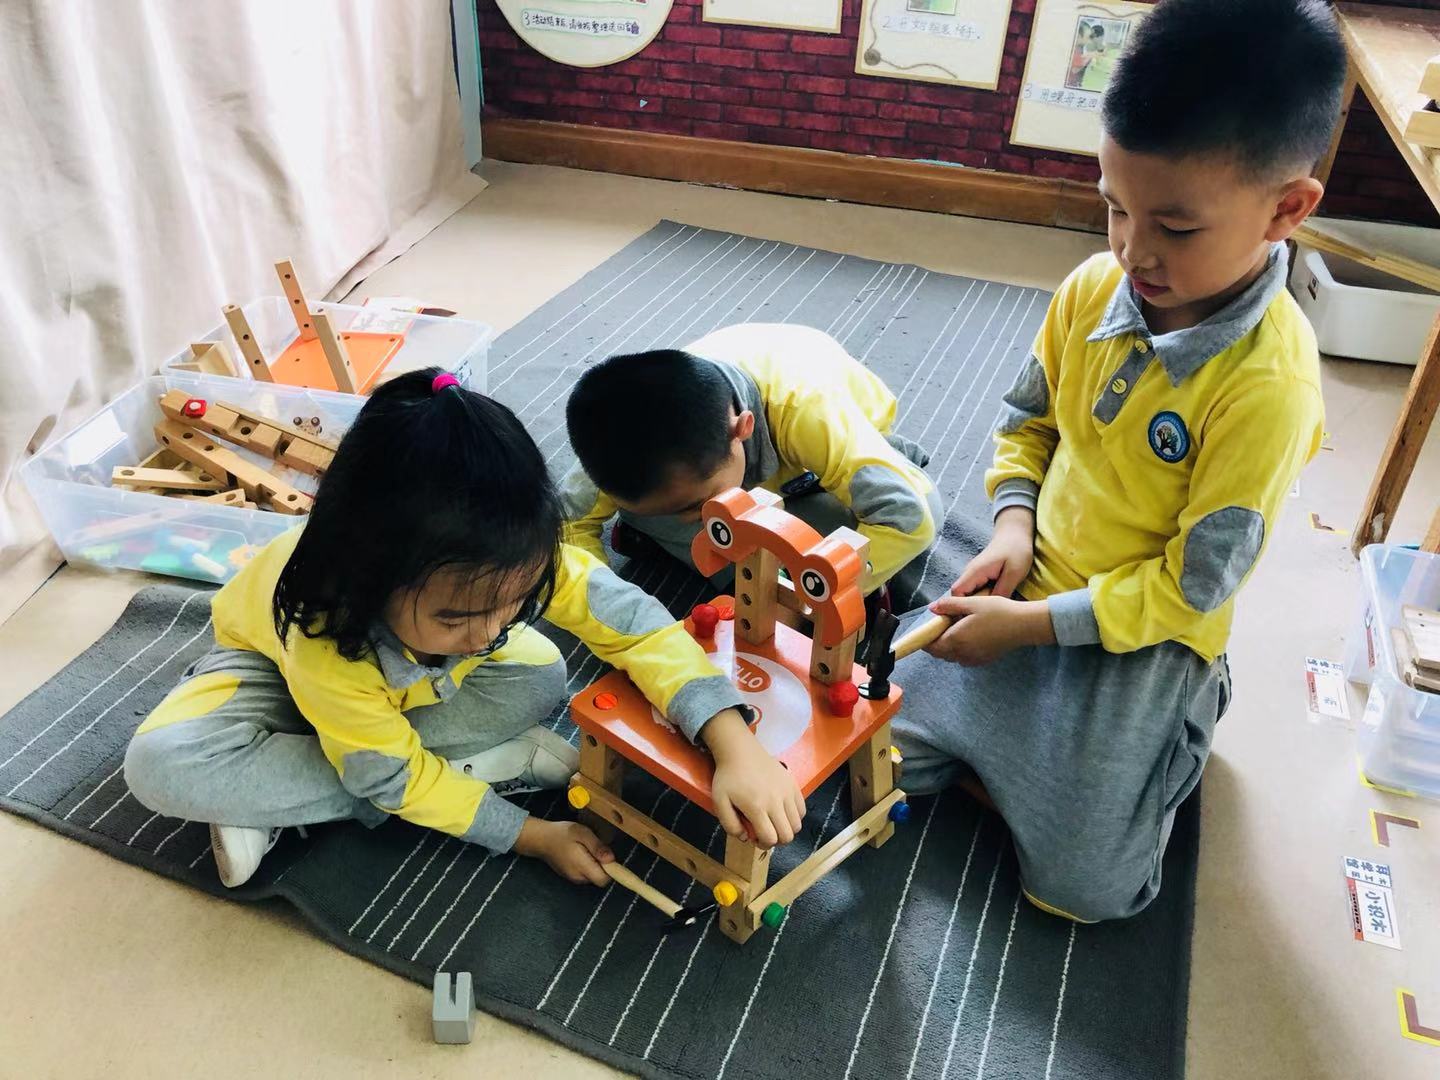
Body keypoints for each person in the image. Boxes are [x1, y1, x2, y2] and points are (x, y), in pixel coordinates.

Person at [891, 0, 1344, 922]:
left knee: (1084, 892)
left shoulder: (1270, 389)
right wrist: (1013, 526)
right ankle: (1018, 731)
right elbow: (1028, 423)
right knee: (872, 748)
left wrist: (1028, 629)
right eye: (1114, 207)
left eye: (1176, 228)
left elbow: (1191, 590)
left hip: (1145, 631)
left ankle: (1186, 711)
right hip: (1033, 573)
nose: (1134, 250)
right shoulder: (1093, 287)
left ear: (1287, 209)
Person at [125, 370, 803, 888]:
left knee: (542, 675)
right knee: (160, 765)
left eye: (514, 602)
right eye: (457, 617)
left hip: (397, 703)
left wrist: (732, 742)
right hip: (269, 669)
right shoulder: (330, 636)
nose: (487, 632)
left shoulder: (513, 561)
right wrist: (529, 834)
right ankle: (454, 771)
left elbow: (636, 626)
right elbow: (389, 777)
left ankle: (302, 790)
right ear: (373, 579)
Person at [560, 323, 941, 603]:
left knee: (922, 508)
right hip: (727, 463)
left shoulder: (806, 412)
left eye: (696, 504)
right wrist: (609, 597)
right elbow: (568, 524)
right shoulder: (616, 438)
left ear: (742, 429)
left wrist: (809, 593)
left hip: (811, 446)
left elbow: (909, 519)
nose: (690, 519)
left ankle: (744, 570)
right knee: (677, 511)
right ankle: (688, 535)